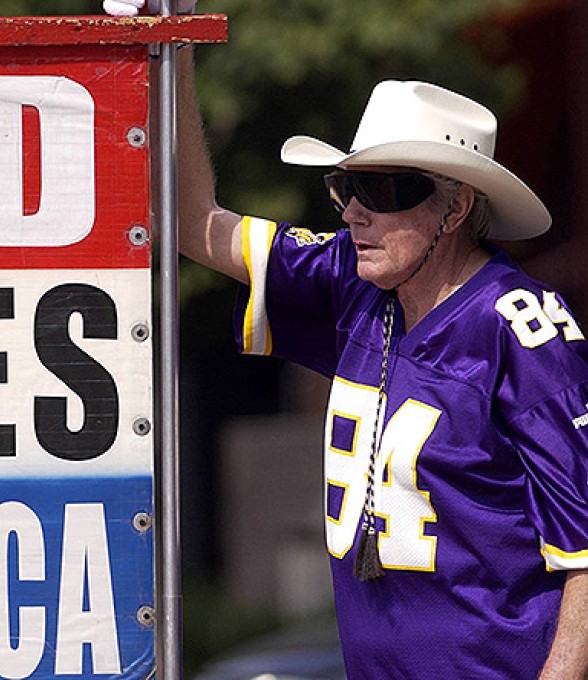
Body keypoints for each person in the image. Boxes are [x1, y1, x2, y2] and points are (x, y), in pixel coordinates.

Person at [103, 1, 588, 678]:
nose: (354, 210)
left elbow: (585, 552)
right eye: (345, 185)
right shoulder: (350, 280)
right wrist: (176, 39)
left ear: (456, 207)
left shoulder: (521, 329)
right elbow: (192, 223)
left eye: (385, 188)